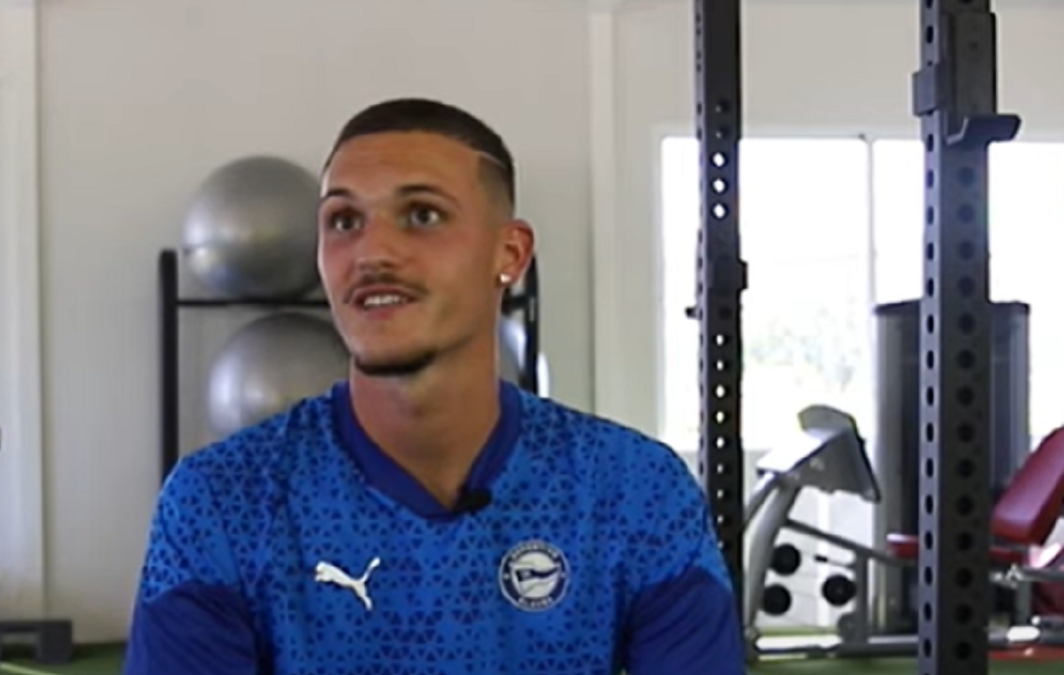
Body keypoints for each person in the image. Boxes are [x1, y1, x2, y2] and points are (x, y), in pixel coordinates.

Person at [124, 98, 746, 675]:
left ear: (510, 253)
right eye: (344, 220)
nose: (372, 252)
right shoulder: (221, 502)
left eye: (422, 215)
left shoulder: (633, 491)